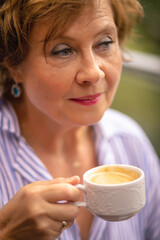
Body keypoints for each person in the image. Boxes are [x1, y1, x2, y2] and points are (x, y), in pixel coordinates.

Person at [0, 0, 160, 239]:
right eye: (63, 50)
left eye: (104, 43)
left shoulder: (130, 141)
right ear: (14, 65)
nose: (94, 73)